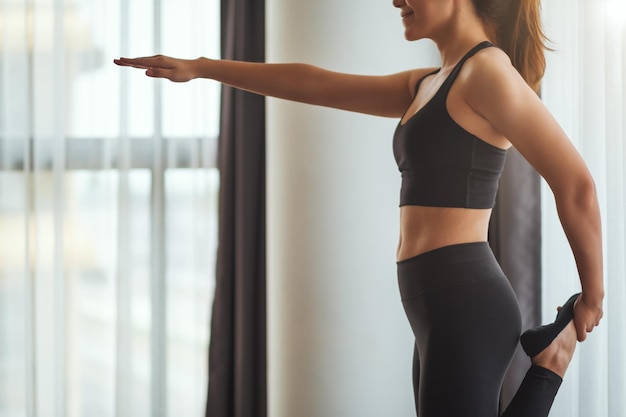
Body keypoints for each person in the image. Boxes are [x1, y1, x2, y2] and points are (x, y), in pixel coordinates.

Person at [115, 0, 604, 415]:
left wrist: (593, 298)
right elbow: (317, 84)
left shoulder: (487, 72)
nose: (395, 0)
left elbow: (575, 183)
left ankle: (549, 366)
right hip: (434, 305)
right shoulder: (433, 82)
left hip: (465, 305)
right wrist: (203, 67)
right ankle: (548, 364)